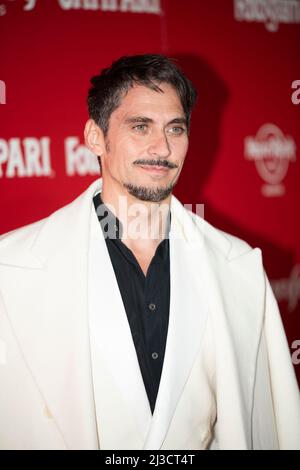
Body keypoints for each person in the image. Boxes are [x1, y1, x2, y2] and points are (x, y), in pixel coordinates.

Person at [0, 54, 299, 451]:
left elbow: (268, 428)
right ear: (95, 137)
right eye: (140, 127)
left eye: (175, 128)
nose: (161, 147)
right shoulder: (12, 269)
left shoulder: (238, 267)